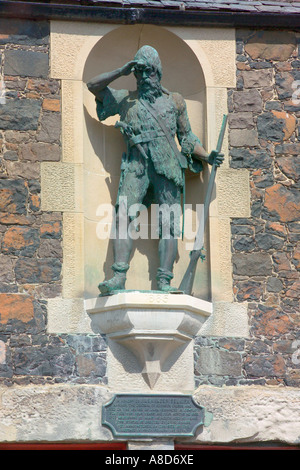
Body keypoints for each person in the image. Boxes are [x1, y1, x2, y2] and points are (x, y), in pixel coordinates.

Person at [87, 45, 223, 294]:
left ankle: (165, 280)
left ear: (158, 73)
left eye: (149, 72)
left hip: (167, 165)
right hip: (136, 166)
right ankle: (118, 277)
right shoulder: (126, 100)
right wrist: (122, 70)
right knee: (122, 218)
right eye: (139, 73)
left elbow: (187, 138)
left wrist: (207, 156)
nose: (144, 78)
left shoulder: (175, 101)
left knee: (169, 224)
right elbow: (93, 86)